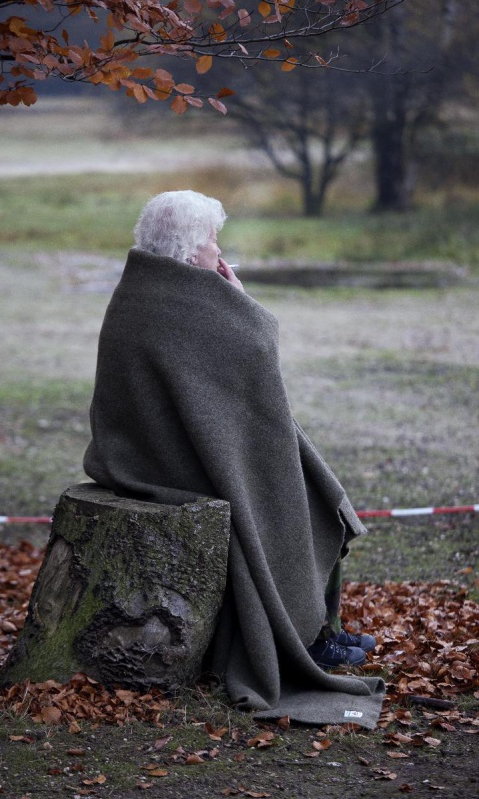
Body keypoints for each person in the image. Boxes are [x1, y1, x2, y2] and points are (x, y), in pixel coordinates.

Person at [84, 190, 384, 729]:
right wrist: (238, 296)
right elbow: (259, 347)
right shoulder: (190, 299)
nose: (218, 248)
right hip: (173, 462)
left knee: (315, 485)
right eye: (211, 239)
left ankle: (317, 630)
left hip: (164, 451)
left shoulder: (142, 287)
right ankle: (301, 646)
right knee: (293, 504)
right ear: (188, 247)